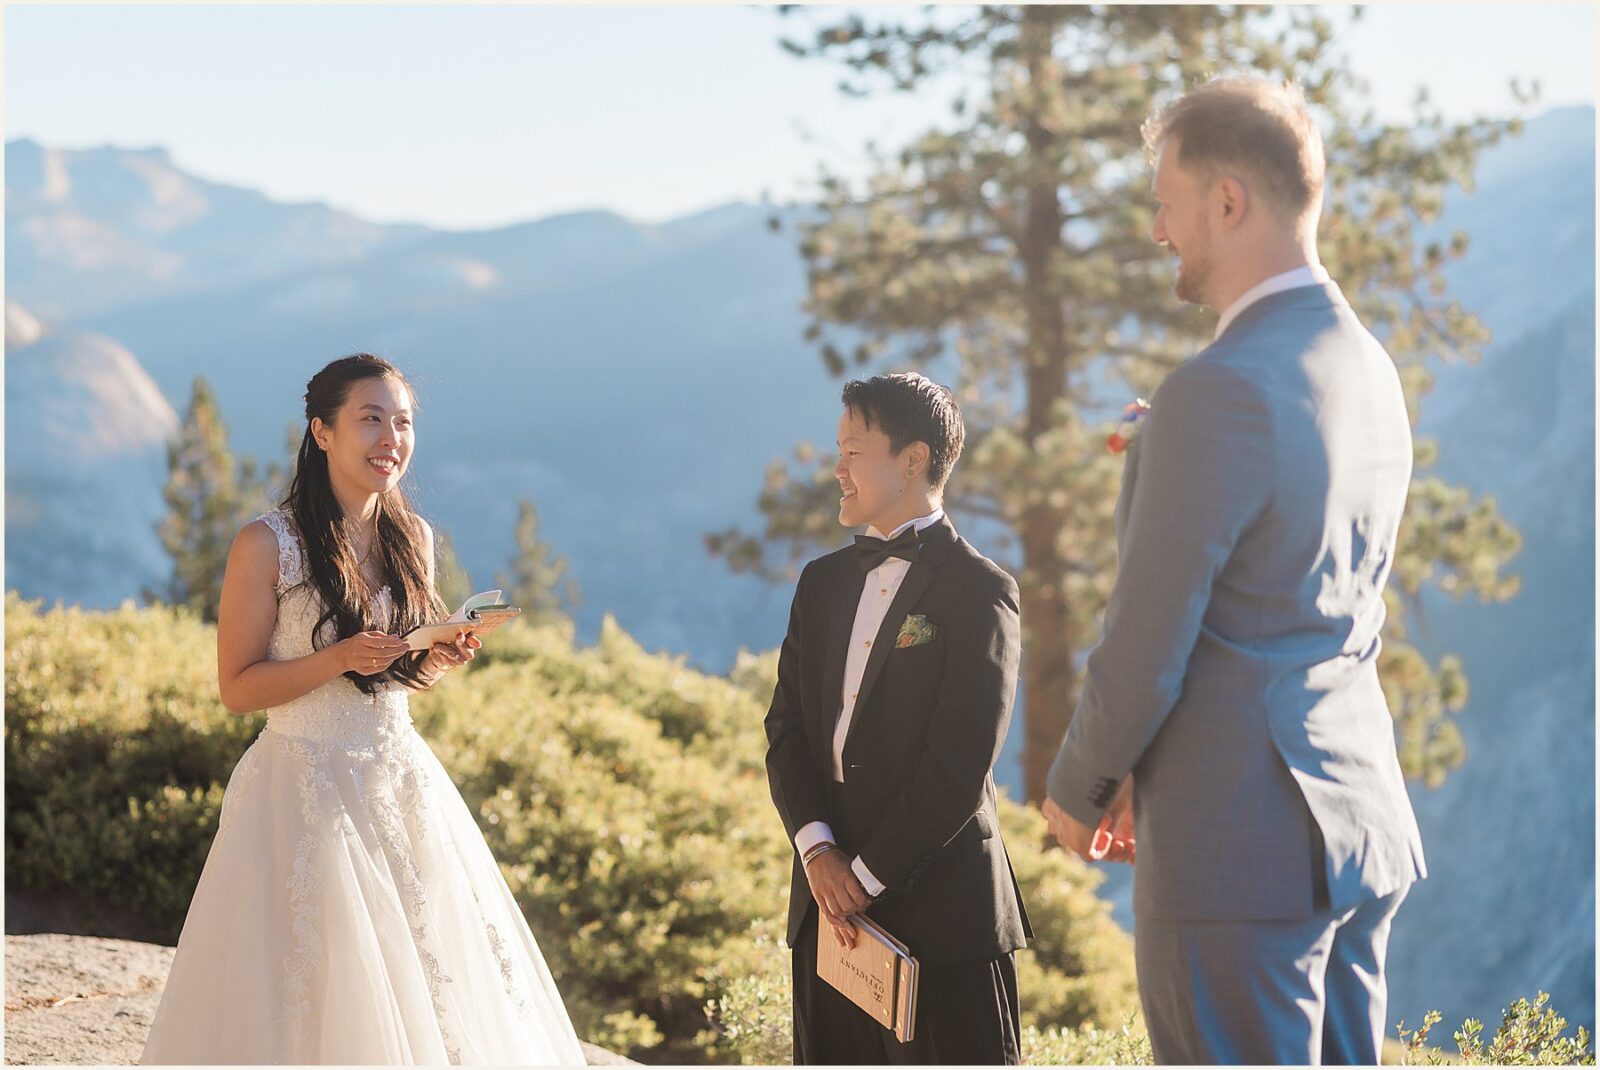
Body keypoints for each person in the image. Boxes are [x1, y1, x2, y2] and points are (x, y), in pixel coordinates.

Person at [1042, 77, 1427, 1065]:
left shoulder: (1215, 391)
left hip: (1234, 853)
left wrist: (1079, 785)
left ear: (1227, 201)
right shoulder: (1367, 367)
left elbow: (1146, 639)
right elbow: (1294, 577)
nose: (1156, 227)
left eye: (1165, 199)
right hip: (1352, 824)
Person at [141, 353, 584, 1065]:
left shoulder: (415, 537)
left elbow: (391, 680)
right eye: (370, 419)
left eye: (403, 422)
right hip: (300, 790)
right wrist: (338, 658)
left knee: (429, 983)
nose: (391, 439)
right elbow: (237, 687)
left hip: (400, 780)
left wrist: (433, 659)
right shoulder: (267, 543)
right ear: (321, 431)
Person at [764, 372, 1031, 1064]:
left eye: (854, 451)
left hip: (943, 921)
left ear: (912, 460)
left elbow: (961, 759)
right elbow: (787, 729)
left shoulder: (981, 591)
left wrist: (867, 875)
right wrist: (819, 853)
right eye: (839, 449)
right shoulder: (821, 584)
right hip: (826, 920)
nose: (837, 468)